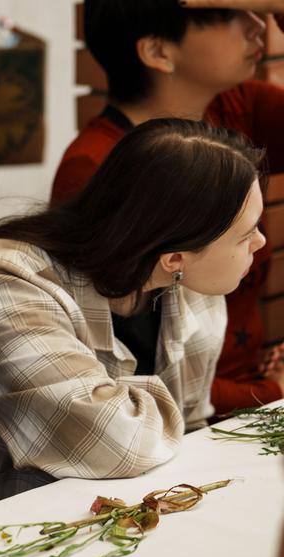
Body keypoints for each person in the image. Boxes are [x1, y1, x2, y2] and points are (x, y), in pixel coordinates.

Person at [0, 119, 267, 513]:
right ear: (174, 259)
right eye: (246, 234)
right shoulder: (5, 276)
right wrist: (156, 420)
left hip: (119, 522)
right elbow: (116, 443)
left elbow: (187, 434)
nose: (261, 242)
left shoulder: (194, 290)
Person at [52, 0, 284, 414]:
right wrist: (272, 391)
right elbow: (121, 379)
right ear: (159, 51)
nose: (258, 25)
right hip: (188, 423)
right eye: (227, 13)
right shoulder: (94, 169)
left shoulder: (233, 107)